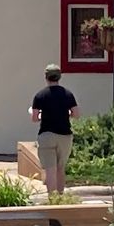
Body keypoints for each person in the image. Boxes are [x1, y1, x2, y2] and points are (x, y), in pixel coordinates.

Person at [30, 63, 80, 195]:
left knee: (50, 170)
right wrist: (67, 113)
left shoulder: (40, 95)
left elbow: (34, 118)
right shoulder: (68, 94)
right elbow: (76, 114)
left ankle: (53, 200)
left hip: (46, 134)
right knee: (60, 168)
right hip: (65, 135)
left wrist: (41, 116)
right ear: (59, 77)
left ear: (46, 77)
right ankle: (61, 197)